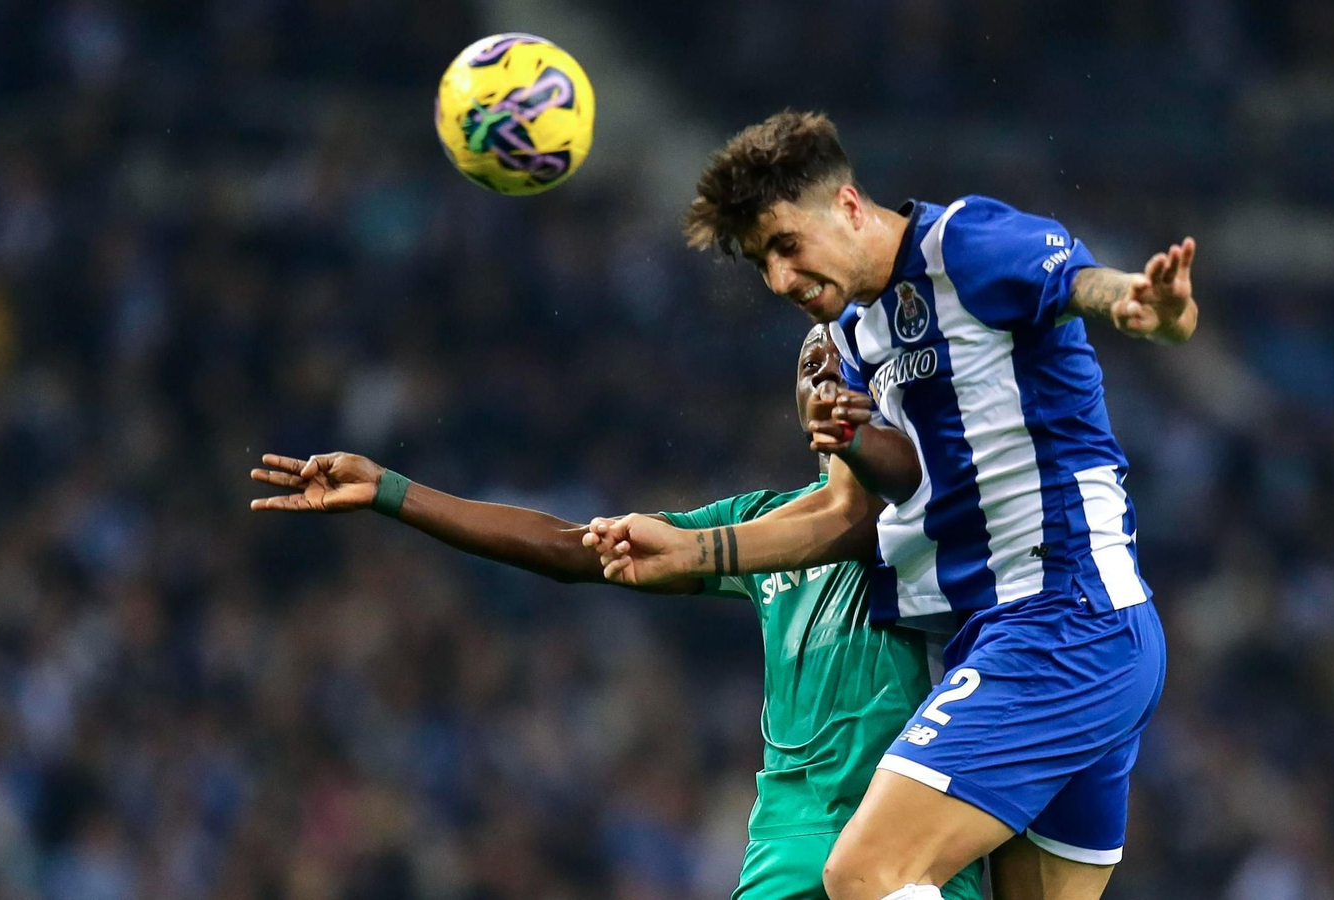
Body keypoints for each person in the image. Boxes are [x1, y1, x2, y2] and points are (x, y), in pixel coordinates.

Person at [584, 110, 1201, 900]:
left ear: (845, 206)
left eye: (784, 245)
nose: (778, 281)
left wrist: (1145, 305)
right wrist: (692, 549)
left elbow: (1084, 288)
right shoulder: (849, 329)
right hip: (1045, 638)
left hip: (1062, 624)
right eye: (758, 264)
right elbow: (847, 516)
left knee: (864, 875)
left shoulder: (964, 245)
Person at [247, 325, 985, 900]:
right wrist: (392, 491)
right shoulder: (755, 523)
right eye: (806, 363)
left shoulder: (933, 510)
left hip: (909, 820)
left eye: (841, 357)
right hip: (787, 837)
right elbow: (575, 550)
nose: (822, 368)